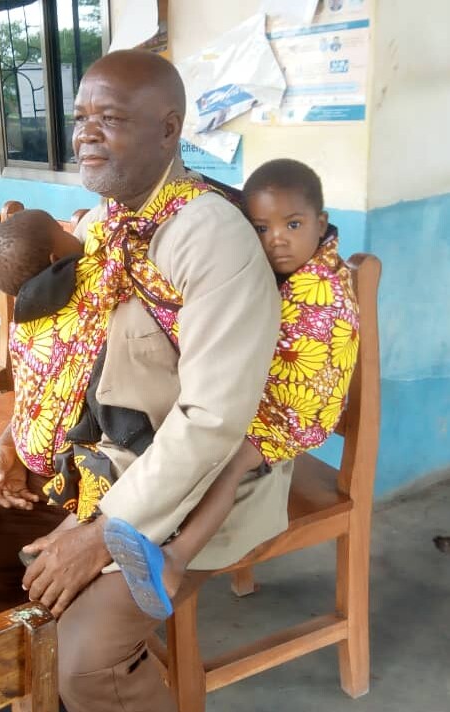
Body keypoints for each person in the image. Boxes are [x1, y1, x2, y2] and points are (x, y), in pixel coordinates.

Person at [0, 49, 284, 712]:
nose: (85, 134)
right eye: (80, 118)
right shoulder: (101, 227)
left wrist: (102, 532)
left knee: (86, 665)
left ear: (167, 130)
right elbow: (67, 353)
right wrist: (14, 438)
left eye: (110, 117)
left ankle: (79, 683)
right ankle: (39, 691)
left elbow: (213, 420)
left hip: (200, 487)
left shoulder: (207, 236)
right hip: (104, 462)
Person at [104, 159, 361, 620]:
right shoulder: (284, 272)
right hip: (270, 399)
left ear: (321, 224)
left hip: (295, 414)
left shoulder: (323, 287)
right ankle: (149, 523)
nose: (276, 239)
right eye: (260, 228)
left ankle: (174, 561)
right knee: (200, 434)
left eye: (293, 224)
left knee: (225, 460)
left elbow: (310, 356)